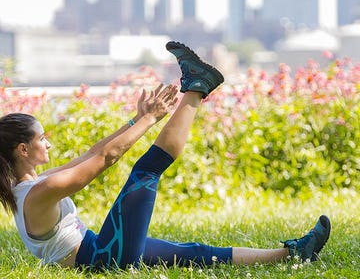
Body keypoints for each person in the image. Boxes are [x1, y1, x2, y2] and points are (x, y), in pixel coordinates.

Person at [0, 41, 331, 270]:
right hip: (104, 256)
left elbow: (94, 151)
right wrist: (149, 119)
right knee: (147, 170)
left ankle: (291, 253)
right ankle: (198, 87)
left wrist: (139, 117)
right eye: (42, 138)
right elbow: (106, 159)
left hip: (104, 247)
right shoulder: (38, 195)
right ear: (23, 149)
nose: (49, 142)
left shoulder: (34, 185)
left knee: (194, 253)